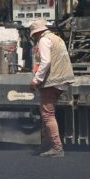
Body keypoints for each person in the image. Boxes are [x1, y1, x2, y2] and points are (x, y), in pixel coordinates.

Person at [29, 19, 74, 158]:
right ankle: (46, 144)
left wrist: (36, 80)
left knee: (48, 115)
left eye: (34, 35)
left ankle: (56, 147)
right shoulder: (57, 38)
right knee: (47, 114)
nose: (34, 37)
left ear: (37, 32)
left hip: (51, 82)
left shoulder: (44, 40)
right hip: (62, 80)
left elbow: (46, 62)